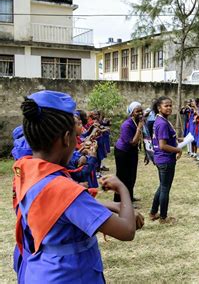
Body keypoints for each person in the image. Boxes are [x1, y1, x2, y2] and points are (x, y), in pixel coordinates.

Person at [12, 90, 140, 283]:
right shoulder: (62, 188)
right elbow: (127, 230)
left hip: (41, 270)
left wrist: (114, 207)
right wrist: (122, 189)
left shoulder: (27, 170)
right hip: (70, 274)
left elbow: (62, 210)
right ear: (66, 138)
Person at [149, 96, 183, 224]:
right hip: (165, 160)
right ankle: (163, 217)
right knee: (165, 189)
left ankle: (153, 212)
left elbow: (165, 139)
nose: (169, 108)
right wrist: (178, 150)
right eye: (166, 106)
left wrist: (178, 140)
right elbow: (163, 145)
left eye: (170, 105)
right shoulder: (162, 123)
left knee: (162, 186)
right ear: (159, 107)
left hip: (161, 159)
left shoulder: (160, 120)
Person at [114, 101, 144, 203]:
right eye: (137, 111)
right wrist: (139, 127)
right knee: (123, 177)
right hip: (123, 152)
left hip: (132, 152)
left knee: (132, 176)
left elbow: (142, 139)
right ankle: (119, 200)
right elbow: (133, 142)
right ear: (131, 113)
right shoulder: (126, 125)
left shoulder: (138, 122)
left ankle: (129, 197)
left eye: (141, 111)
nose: (140, 113)